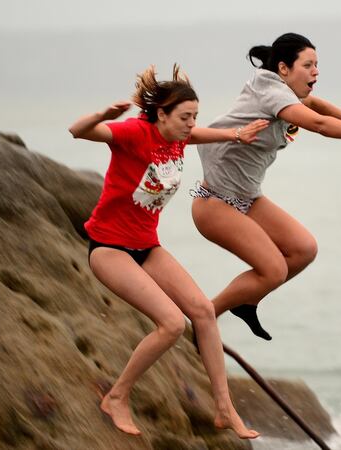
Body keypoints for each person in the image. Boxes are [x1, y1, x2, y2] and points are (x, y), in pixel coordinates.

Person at [69, 64, 267, 439]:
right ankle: (117, 396)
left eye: (195, 116)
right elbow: (77, 131)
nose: (191, 124)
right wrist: (103, 115)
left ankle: (224, 408)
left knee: (204, 312)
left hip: (147, 246)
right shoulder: (133, 133)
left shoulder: (177, 137)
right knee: (173, 324)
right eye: (185, 117)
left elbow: (197, 136)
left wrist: (236, 134)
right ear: (161, 114)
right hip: (110, 249)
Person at [192, 33, 341, 341]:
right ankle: (203, 319)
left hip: (247, 198)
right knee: (273, 270)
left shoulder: (282, 89)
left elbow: (314, 104)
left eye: (317, 65)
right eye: (308, 65)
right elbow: (318, 124)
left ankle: (246, 302)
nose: (316, 72)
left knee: (303, 249)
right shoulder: (271, 93)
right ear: (283, 69)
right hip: (214, 202)